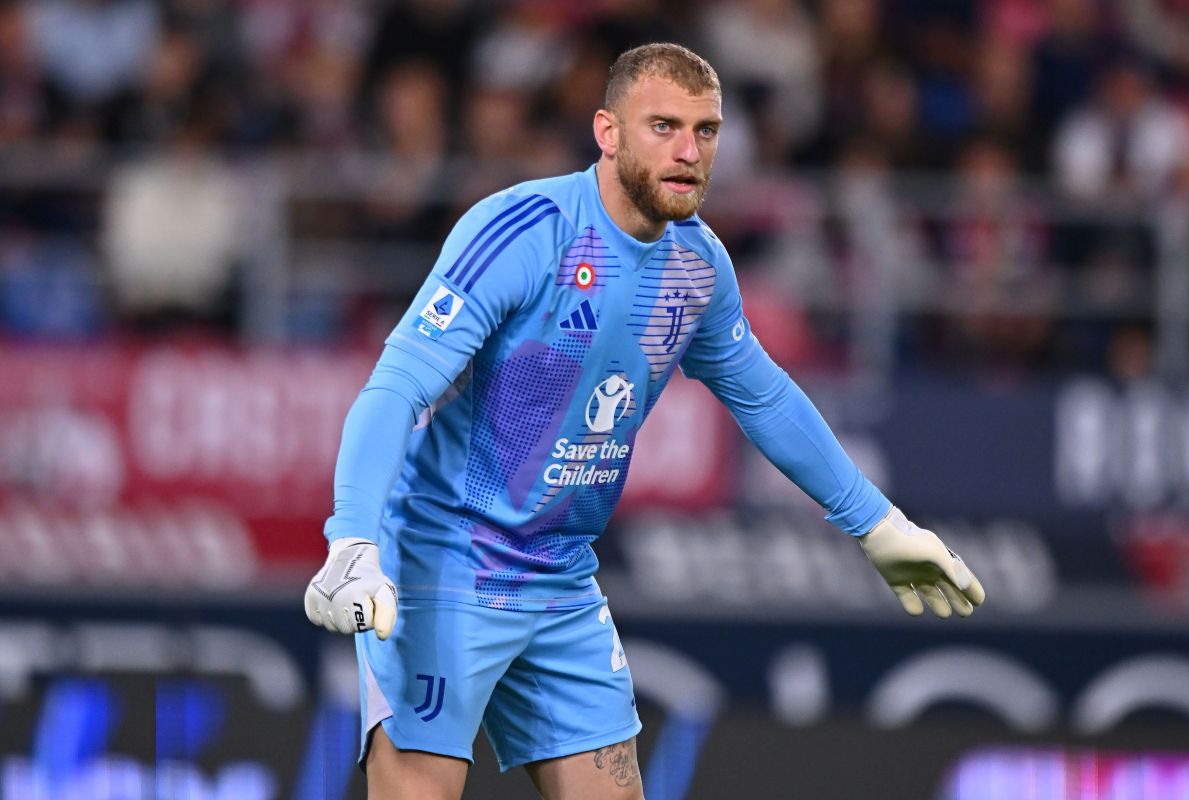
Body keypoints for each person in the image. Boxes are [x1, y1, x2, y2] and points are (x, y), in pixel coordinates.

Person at [305, 42, 985, 800]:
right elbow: (398, 385)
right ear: (607, 131)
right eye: (663, 126)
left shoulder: (698, 268)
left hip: (560, 572)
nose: (689, 152)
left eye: (707, 130)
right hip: (443, 560)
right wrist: (353, 539)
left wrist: (880, 526)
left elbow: (763, 396)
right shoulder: (525, 232)